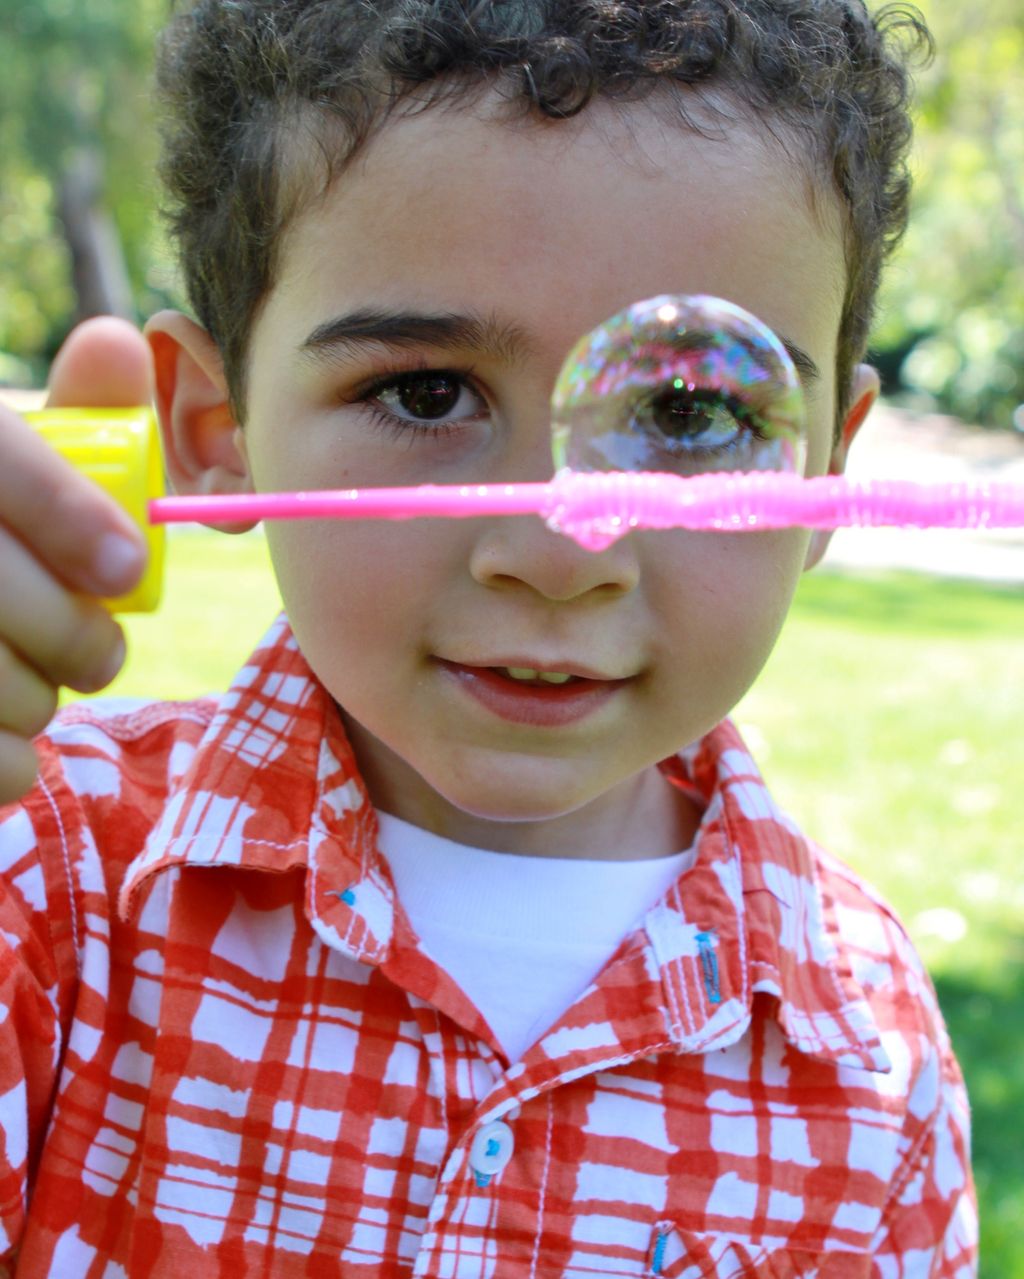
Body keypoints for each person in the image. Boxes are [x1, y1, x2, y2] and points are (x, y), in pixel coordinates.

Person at [0, 1, 977, 1274]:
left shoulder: (871, 1050)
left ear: (829, 474)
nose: (560, 553)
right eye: (426, 394)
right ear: (215, 426)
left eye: (690, 414)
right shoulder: (47, 884)